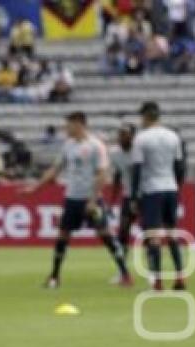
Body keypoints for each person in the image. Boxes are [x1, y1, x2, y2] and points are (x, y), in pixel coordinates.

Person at [20, 112, 132, 289]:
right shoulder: (68, 145)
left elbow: (102, 174)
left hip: (90, 199)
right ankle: (54, 277)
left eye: (69, 125)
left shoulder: (96, 146)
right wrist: (35, 188)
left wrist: (93, 200)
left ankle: (125, 274)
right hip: (72, 197)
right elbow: (55, 170)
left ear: (80, 124)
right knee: (63, 235)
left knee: (105, 234)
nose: (66, 128)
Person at [131, 101, 186, 291]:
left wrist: (133, 196)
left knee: (153, 236)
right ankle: (180, 276)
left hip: (151, 190)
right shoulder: (173, 136)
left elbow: (137, 170)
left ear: (146, 116)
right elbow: (180, 166)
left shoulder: (141, 138)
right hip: (170, 187)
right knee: (171, 234)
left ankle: (158, 280)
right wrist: (177, 187)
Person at [109, 123, 137, 262]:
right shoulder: (115, 153)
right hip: (128, 195)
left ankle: (154, 268)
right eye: (120, 134)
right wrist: (113, 200)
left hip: (147, 195)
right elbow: (117, 176)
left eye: (124, 134)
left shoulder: (140, 151)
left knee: (151, 231)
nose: (121, 137)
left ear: (133, 136)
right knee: (123, 231)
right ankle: (123, 269)